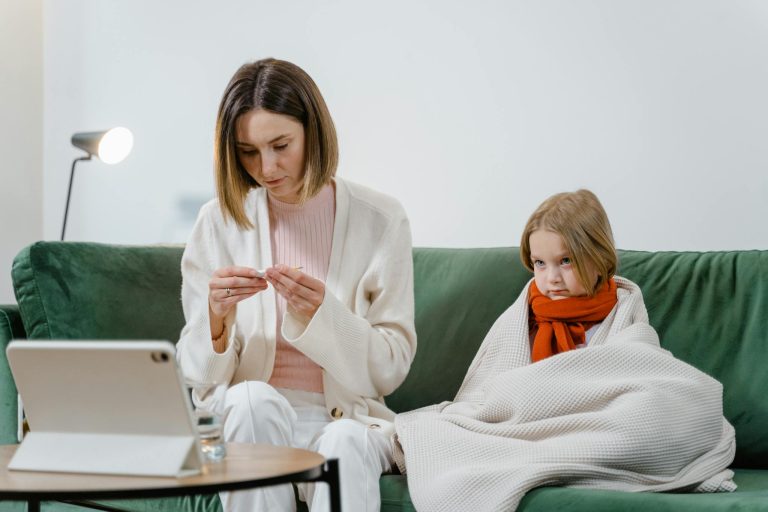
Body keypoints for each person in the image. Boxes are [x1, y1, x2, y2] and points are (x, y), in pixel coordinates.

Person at [393, 189, 735, 511]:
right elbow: (490, 388)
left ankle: (556, 455)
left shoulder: (623, 306)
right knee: (448, 425)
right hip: (524, 425)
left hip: (590, 422)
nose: (551, 277)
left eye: (566, 261)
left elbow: (639, 371)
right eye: (540, 263)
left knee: (652, 408)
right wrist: (529, 393)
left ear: (599, 259)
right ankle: (540, 455)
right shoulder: (525, 311)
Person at [176, 58, 417, 512]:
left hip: (350, 418)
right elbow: (200, 380)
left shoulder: (381, 219)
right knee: (249, 401)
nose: (266, 167)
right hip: (253, 417)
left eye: (280, 145)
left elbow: (391, 368)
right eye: (247, 151)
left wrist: (326, 317)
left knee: (346, 441)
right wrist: (216, 321)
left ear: (314, 132)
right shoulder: (218, 222)